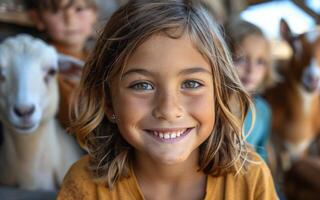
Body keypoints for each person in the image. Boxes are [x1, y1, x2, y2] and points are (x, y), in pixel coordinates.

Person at [57, 1, 278, 199]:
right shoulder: (86, 186)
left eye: (191, 84)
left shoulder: (249, 179)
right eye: (142, 85)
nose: (169, 109)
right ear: (108, 102)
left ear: (219, 93)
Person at [25, 0, 98, 127]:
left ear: (94, 14)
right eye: (56, 11)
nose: (70, 21)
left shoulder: (98, 59)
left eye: (79, 9)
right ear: (37, 18)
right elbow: (76, 118)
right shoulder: (43, 68)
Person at [225, 19, 275, 162]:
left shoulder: (263, 110)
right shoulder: (213, 106)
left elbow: (261, 155)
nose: (251, 70)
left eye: (260, 61)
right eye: (241, 59)